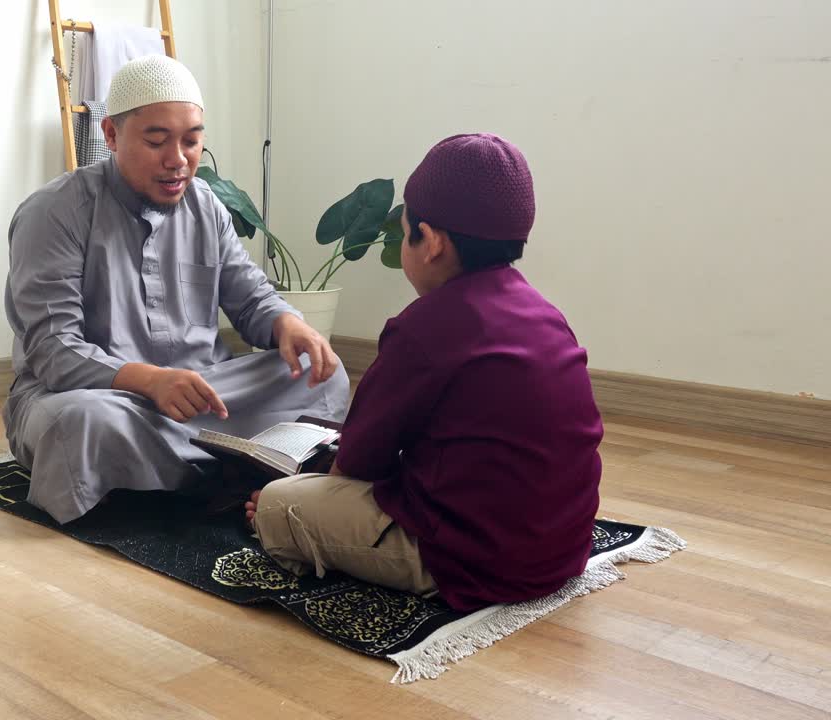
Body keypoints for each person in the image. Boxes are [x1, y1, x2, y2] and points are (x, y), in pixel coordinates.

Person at [246, 133, 604, 611]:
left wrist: (303, 490)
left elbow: (357, 462)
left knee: (276, 503)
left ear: (430, 242)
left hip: (473, 562)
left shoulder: (425, 328)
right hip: (561, 550)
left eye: (405, 230)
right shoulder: (545, 314)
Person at [3, 55, 349, 524]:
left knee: (320, 370)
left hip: (204, 395)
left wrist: (287, 323)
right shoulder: (55, 212)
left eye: (192, 140)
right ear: (110, 135)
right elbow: (54, 350)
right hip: (105, 398)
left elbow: (249, 296)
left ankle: (182, 475)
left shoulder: (205, 205)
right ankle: (239, 468)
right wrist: (151, 381)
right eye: (157, 140)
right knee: (77, 425)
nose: (178, 159)